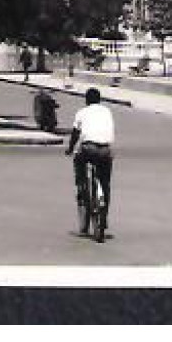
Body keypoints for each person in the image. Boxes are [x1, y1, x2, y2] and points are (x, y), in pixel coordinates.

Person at [65, 87, 115, 237]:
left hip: (88, 148)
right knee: (105, 184)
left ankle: (82, 187)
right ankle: (103, 217)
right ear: (99, 100)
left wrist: (70, 148)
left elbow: (75, 133)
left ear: (87, 100)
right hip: (106, 150)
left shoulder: (82, 112)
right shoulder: (107, 111)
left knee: (78, 161)